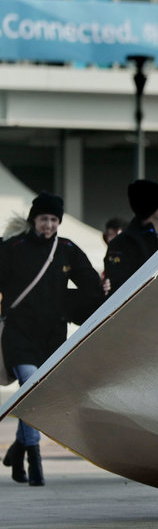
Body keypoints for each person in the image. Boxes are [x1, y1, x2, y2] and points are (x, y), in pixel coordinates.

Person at [0, 193, 104, 486]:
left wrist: (72, 306)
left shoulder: (67, 249)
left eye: (54, 220)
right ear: (34, 219)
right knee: (30, 388)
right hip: (19, 334)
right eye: (44, 218)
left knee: (37, 397)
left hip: (53, 336)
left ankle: (18, 449)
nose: (48, 225)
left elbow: (90, 286)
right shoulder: (13, 247)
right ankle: (34, 459)